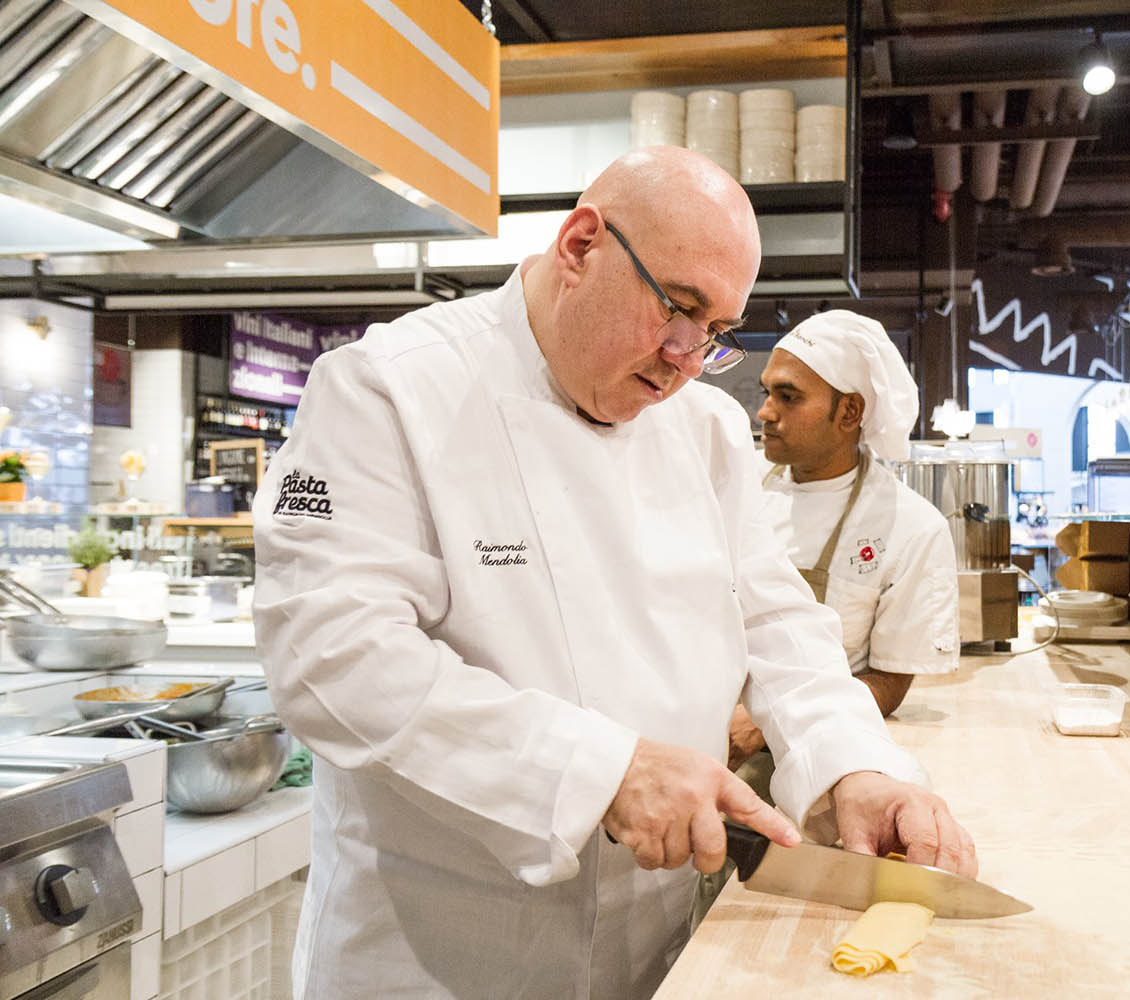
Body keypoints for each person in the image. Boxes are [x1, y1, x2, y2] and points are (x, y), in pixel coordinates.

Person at [252, 146, 977, 1000]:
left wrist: (856, 765)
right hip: (443, 954)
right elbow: (332, 661)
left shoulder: (705, 430)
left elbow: (779, 625)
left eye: (714, 334)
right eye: (678, 307)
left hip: (663, 943)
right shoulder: (389, 389)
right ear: (580, 245)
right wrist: (599, 774)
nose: (684, 356)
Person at [728, 312, 959, 764]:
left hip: (807, 751)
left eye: (788, 397)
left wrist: (772, 716)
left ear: (849, 412)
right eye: (767, 392)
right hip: (698, 730)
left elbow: (889, 684)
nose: (765, 412)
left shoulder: (910, 528)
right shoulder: (734, 484)